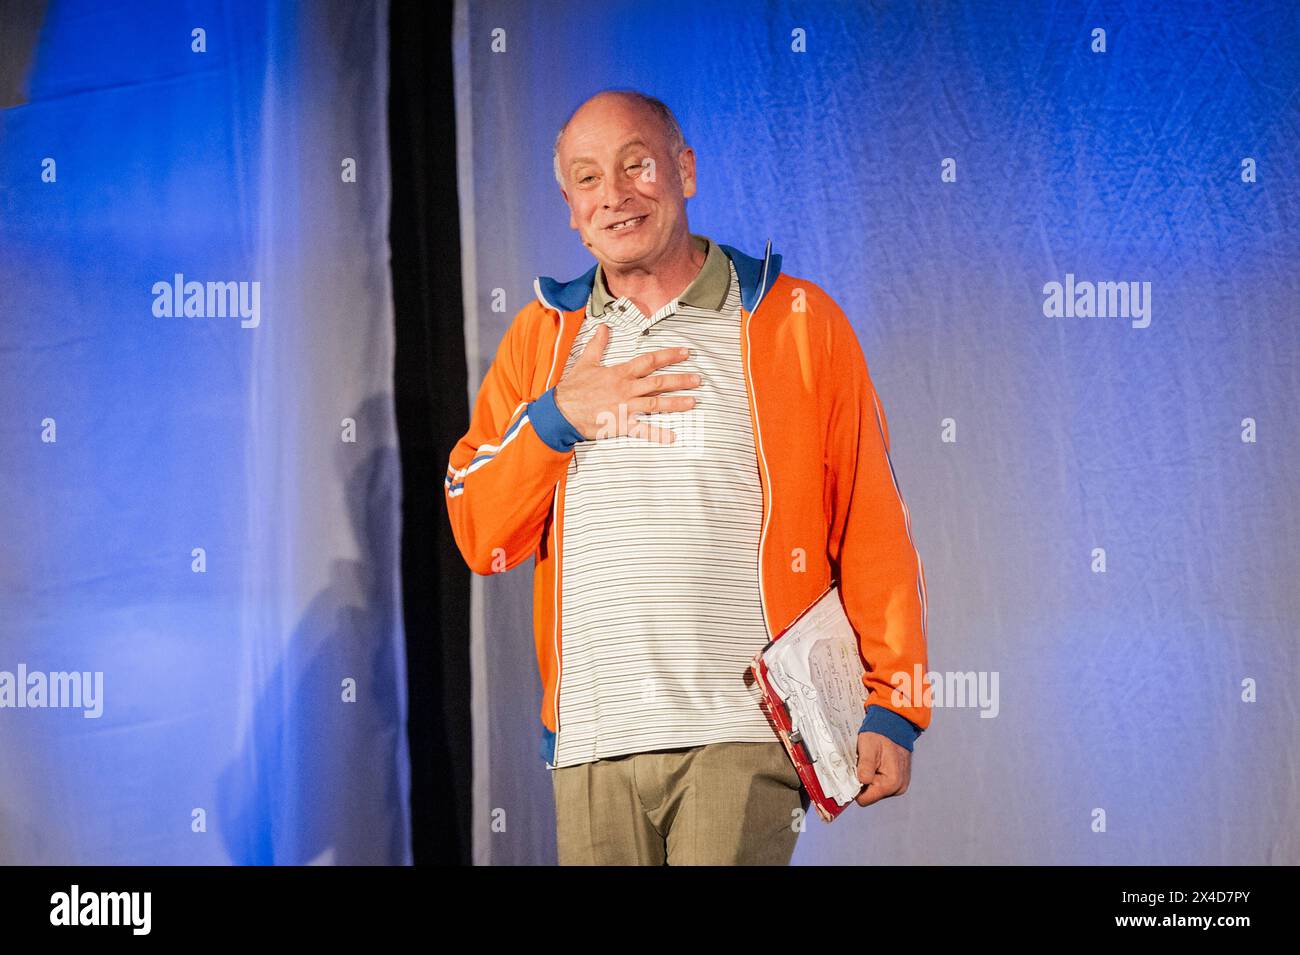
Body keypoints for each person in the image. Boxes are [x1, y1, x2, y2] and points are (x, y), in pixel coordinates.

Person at [444, 89, 930, 865]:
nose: (616, 195)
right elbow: (480, 534)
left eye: (637, 165)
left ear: (684, 170)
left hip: (744, 732)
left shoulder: (792, 319)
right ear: (569, 206)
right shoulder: (542, 339)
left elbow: (871, 522)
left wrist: (894, 704)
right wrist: (556, 416)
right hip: (593, 740)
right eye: (588, 178)